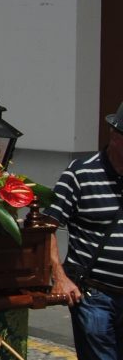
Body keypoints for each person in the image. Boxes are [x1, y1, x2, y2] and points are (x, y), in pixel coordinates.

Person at [43, 101, 123, 360]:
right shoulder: (80, 173)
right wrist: (60, 277)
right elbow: (46, 227)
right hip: (95, 295)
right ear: (114, 135)